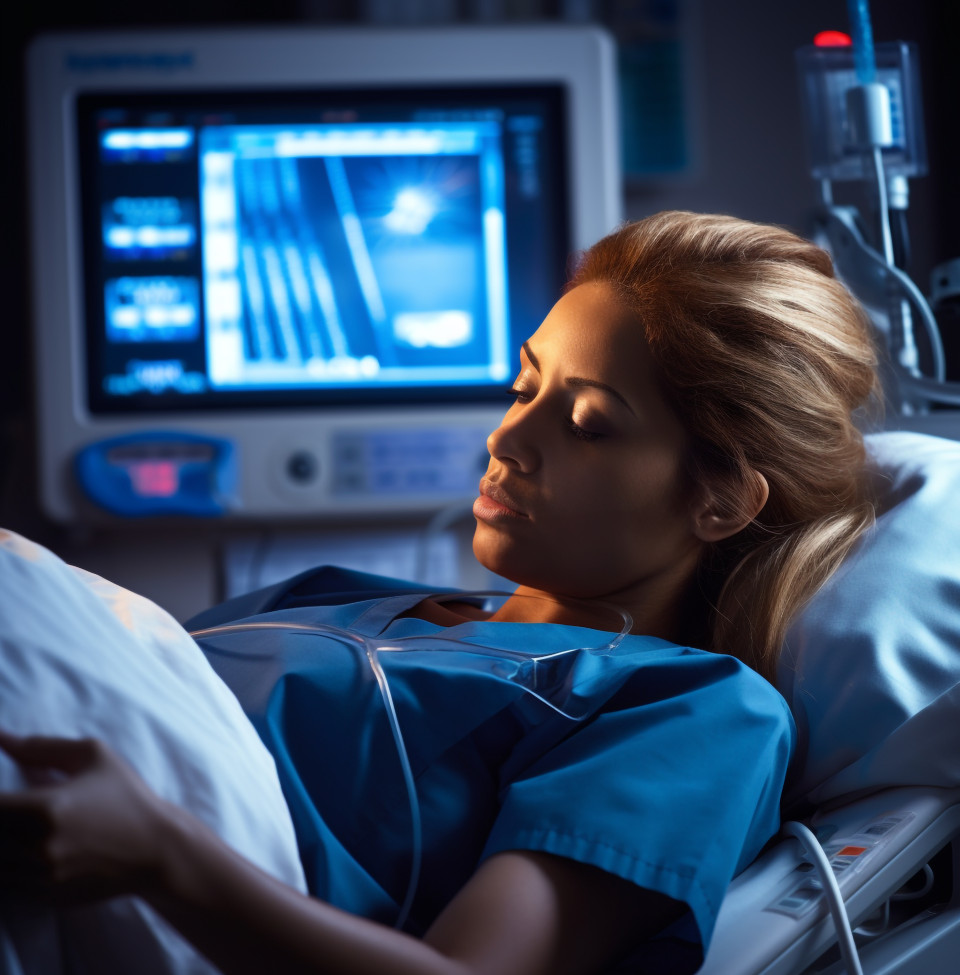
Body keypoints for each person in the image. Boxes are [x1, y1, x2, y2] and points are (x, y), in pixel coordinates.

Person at [0, 211, 878, 974]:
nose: (508, 437)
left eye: (586, 424)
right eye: (524, 386)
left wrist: (160, 853)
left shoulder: (693, 710)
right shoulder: (338, 595)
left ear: (720, 499)